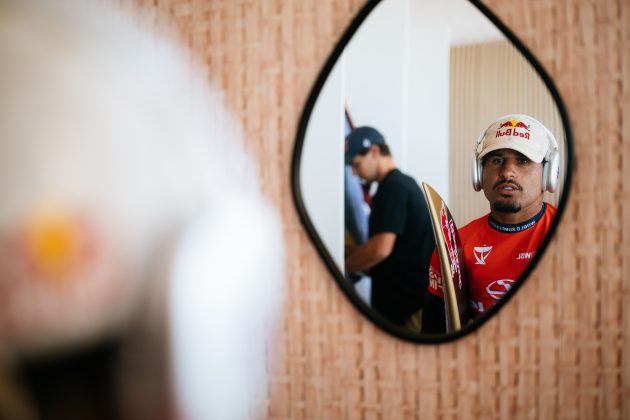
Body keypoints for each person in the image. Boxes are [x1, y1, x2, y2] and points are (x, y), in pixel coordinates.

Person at [422, 114, 561, 333]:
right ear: (479, 173)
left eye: (523, 160)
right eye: (496, 160)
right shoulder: (455, 247)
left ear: (549, 174)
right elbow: (434, 333)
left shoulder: (571, 238)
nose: (507, 172)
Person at [344, 126, 435, 330]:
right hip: (410, 303)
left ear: (374, 152)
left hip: (408, 309)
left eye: (356, 164)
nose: (354, 172)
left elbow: (380, 248)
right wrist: (358, 254)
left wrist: (343, 267)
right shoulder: (402, 184)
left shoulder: (393, 188)